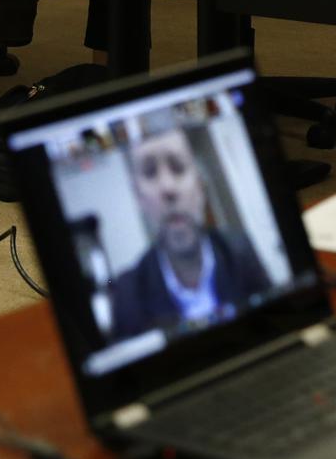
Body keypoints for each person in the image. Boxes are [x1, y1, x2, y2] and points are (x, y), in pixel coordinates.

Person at [106, 121, 275, 341]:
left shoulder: (239, 250)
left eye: (178, 167)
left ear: (199, 186)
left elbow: (277, 322)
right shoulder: (127, 293)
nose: (168, 188)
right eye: (150, 172)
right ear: (139, 198)